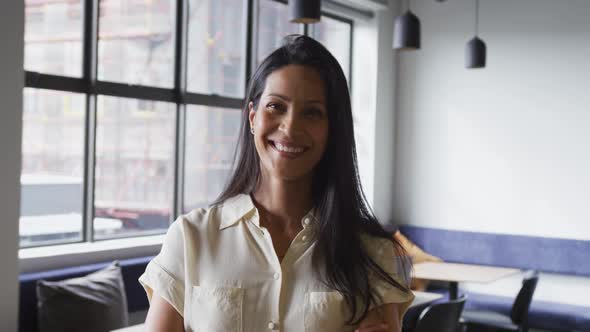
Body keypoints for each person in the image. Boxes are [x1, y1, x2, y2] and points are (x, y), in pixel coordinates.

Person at [139, 34, 414, 332]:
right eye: (276, 106)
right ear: (253, 117)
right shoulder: (191, 238)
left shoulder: (372, 253)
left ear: (332, 130)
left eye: (312, 112)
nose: (291, 127)